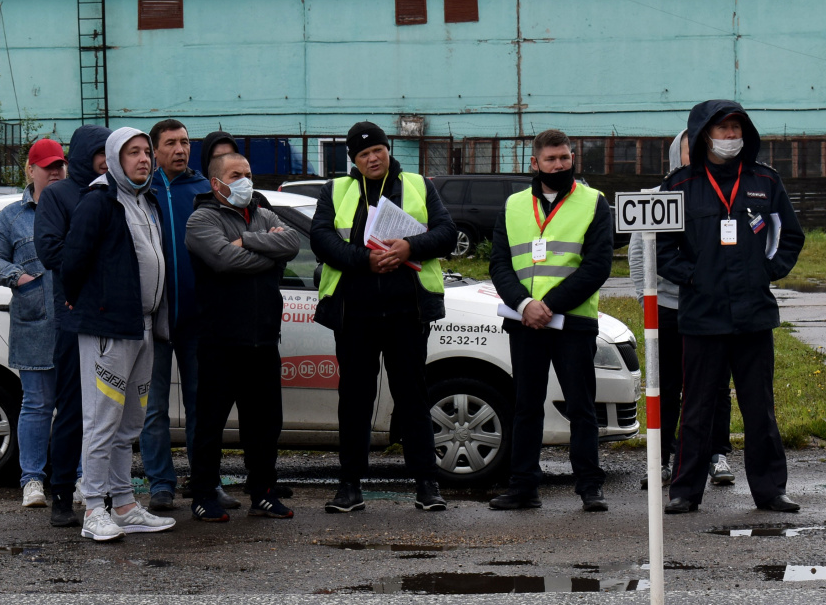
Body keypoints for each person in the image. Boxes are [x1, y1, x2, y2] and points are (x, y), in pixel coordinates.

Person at [657, 100, 805, 514]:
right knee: (698, 408)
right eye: (722, 130)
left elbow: (789, 235)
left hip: (754, 314)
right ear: (704, 134)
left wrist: (768, 270)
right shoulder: (679, 185)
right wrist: (691, 275)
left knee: (760, 409)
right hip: (702, 317)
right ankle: (685, 491)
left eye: (736, 129)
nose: (730, 137)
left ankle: (771, 490)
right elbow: (662, 247)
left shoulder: (765, 181)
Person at [309, 122, 456, 515]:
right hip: (354, 313)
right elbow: (320, 238)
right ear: (353, 161)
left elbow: (447, 233)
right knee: (354, 399)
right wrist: (364, 259)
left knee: (412, 397)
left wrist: (410, 245)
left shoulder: (419, 186)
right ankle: (350, 485)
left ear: (388, 150)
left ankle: (426, 485)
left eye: (378, 150)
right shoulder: (335, 190)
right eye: (363, 154)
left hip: (407, 311)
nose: (372, 158)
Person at [61, 127, 179, 542]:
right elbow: (71, 261)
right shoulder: (99, 201)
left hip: (143, 326)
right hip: (108, 329)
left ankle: (125, 504)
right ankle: (94, 508)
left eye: (147, 152)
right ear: (114, 158)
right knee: (101, 421)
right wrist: (89, 303)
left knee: (129, 423)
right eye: (134, 152)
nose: (144, 159)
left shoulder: (145, 201)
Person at [487, 129, 614, 512]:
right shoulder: (512, 206)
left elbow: (597, 266)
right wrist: (526, 304)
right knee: (526, 405)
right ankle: (524, 486)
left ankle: (590, 486)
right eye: (551, 159)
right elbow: (499, 263)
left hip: (572, 322)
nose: (558, 165)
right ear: (534, 163)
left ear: (572, 158)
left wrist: (550, 305)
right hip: (525, 321)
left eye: (564, 158)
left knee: (581, 406)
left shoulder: (594, 202)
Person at [184, 133, 301, 522]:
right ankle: (203, 494)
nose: (245, 180)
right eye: (237, 174)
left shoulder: (263, 213)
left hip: (263, 338)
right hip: (220, 340)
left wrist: (246, 242)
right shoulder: (201, 218)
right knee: (211, 423)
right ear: (217, 182)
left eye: (248, 173)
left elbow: (292, 243)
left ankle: (263, 490)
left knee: (264, 424)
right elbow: (222, 262)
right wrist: (266, 254)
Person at [627, 131, 734, 490]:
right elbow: (639, 254)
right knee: (665, 385)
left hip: (710, 307)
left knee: (714, 384)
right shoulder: (658, 198)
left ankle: (716, 455)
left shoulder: (722, 195)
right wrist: (646, 299)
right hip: (669, 307)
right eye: (691, 150)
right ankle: (662, 458)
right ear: (677, 155)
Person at [0, 139, 67, 510]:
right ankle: (32, 480)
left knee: (77, 408)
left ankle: (78, 476)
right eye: (47, 166)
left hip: (75, 324)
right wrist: (19, 278)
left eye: (60, 165)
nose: (55, 172)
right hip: (35, 324)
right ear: (30, 171)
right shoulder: (12, 217)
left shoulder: (76, 207)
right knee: (36, 404)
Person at [34, 125, 110, 528]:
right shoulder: (59, 195)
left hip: (113, 317)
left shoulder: (116, 191)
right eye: (100, 152)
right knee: (72, 412)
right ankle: (61, 495)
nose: (105, 159)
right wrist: (96, 265)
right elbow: (49, 250)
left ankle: (106, 493)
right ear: (84, 155)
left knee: (111, 413)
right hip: (74, 318)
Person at [141, 118, 211, 512]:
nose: (180, 150)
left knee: (203, 405)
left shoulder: (203, 189)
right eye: (171, 143)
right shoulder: (142, 191)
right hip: (154, 320)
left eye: (185, 142)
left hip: (198, 320)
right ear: (155, 151)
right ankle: (161, 483)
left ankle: (204, 481)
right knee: (154, 409)